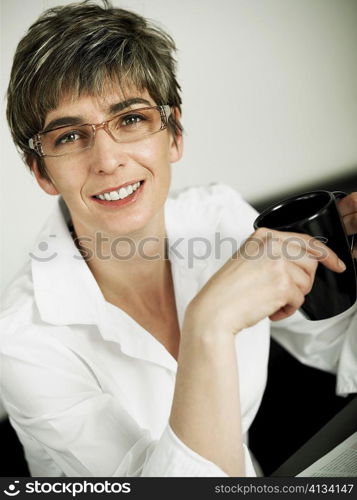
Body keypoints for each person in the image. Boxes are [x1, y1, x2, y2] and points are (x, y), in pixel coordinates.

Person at [1, 0, 356, 477]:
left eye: (130, 119)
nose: (107, 161)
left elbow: (336, 345)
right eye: (69, 136)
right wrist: (209, 323)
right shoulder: (22, 341)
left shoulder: (220, 217)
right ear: (41, 171)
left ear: (174, 134)